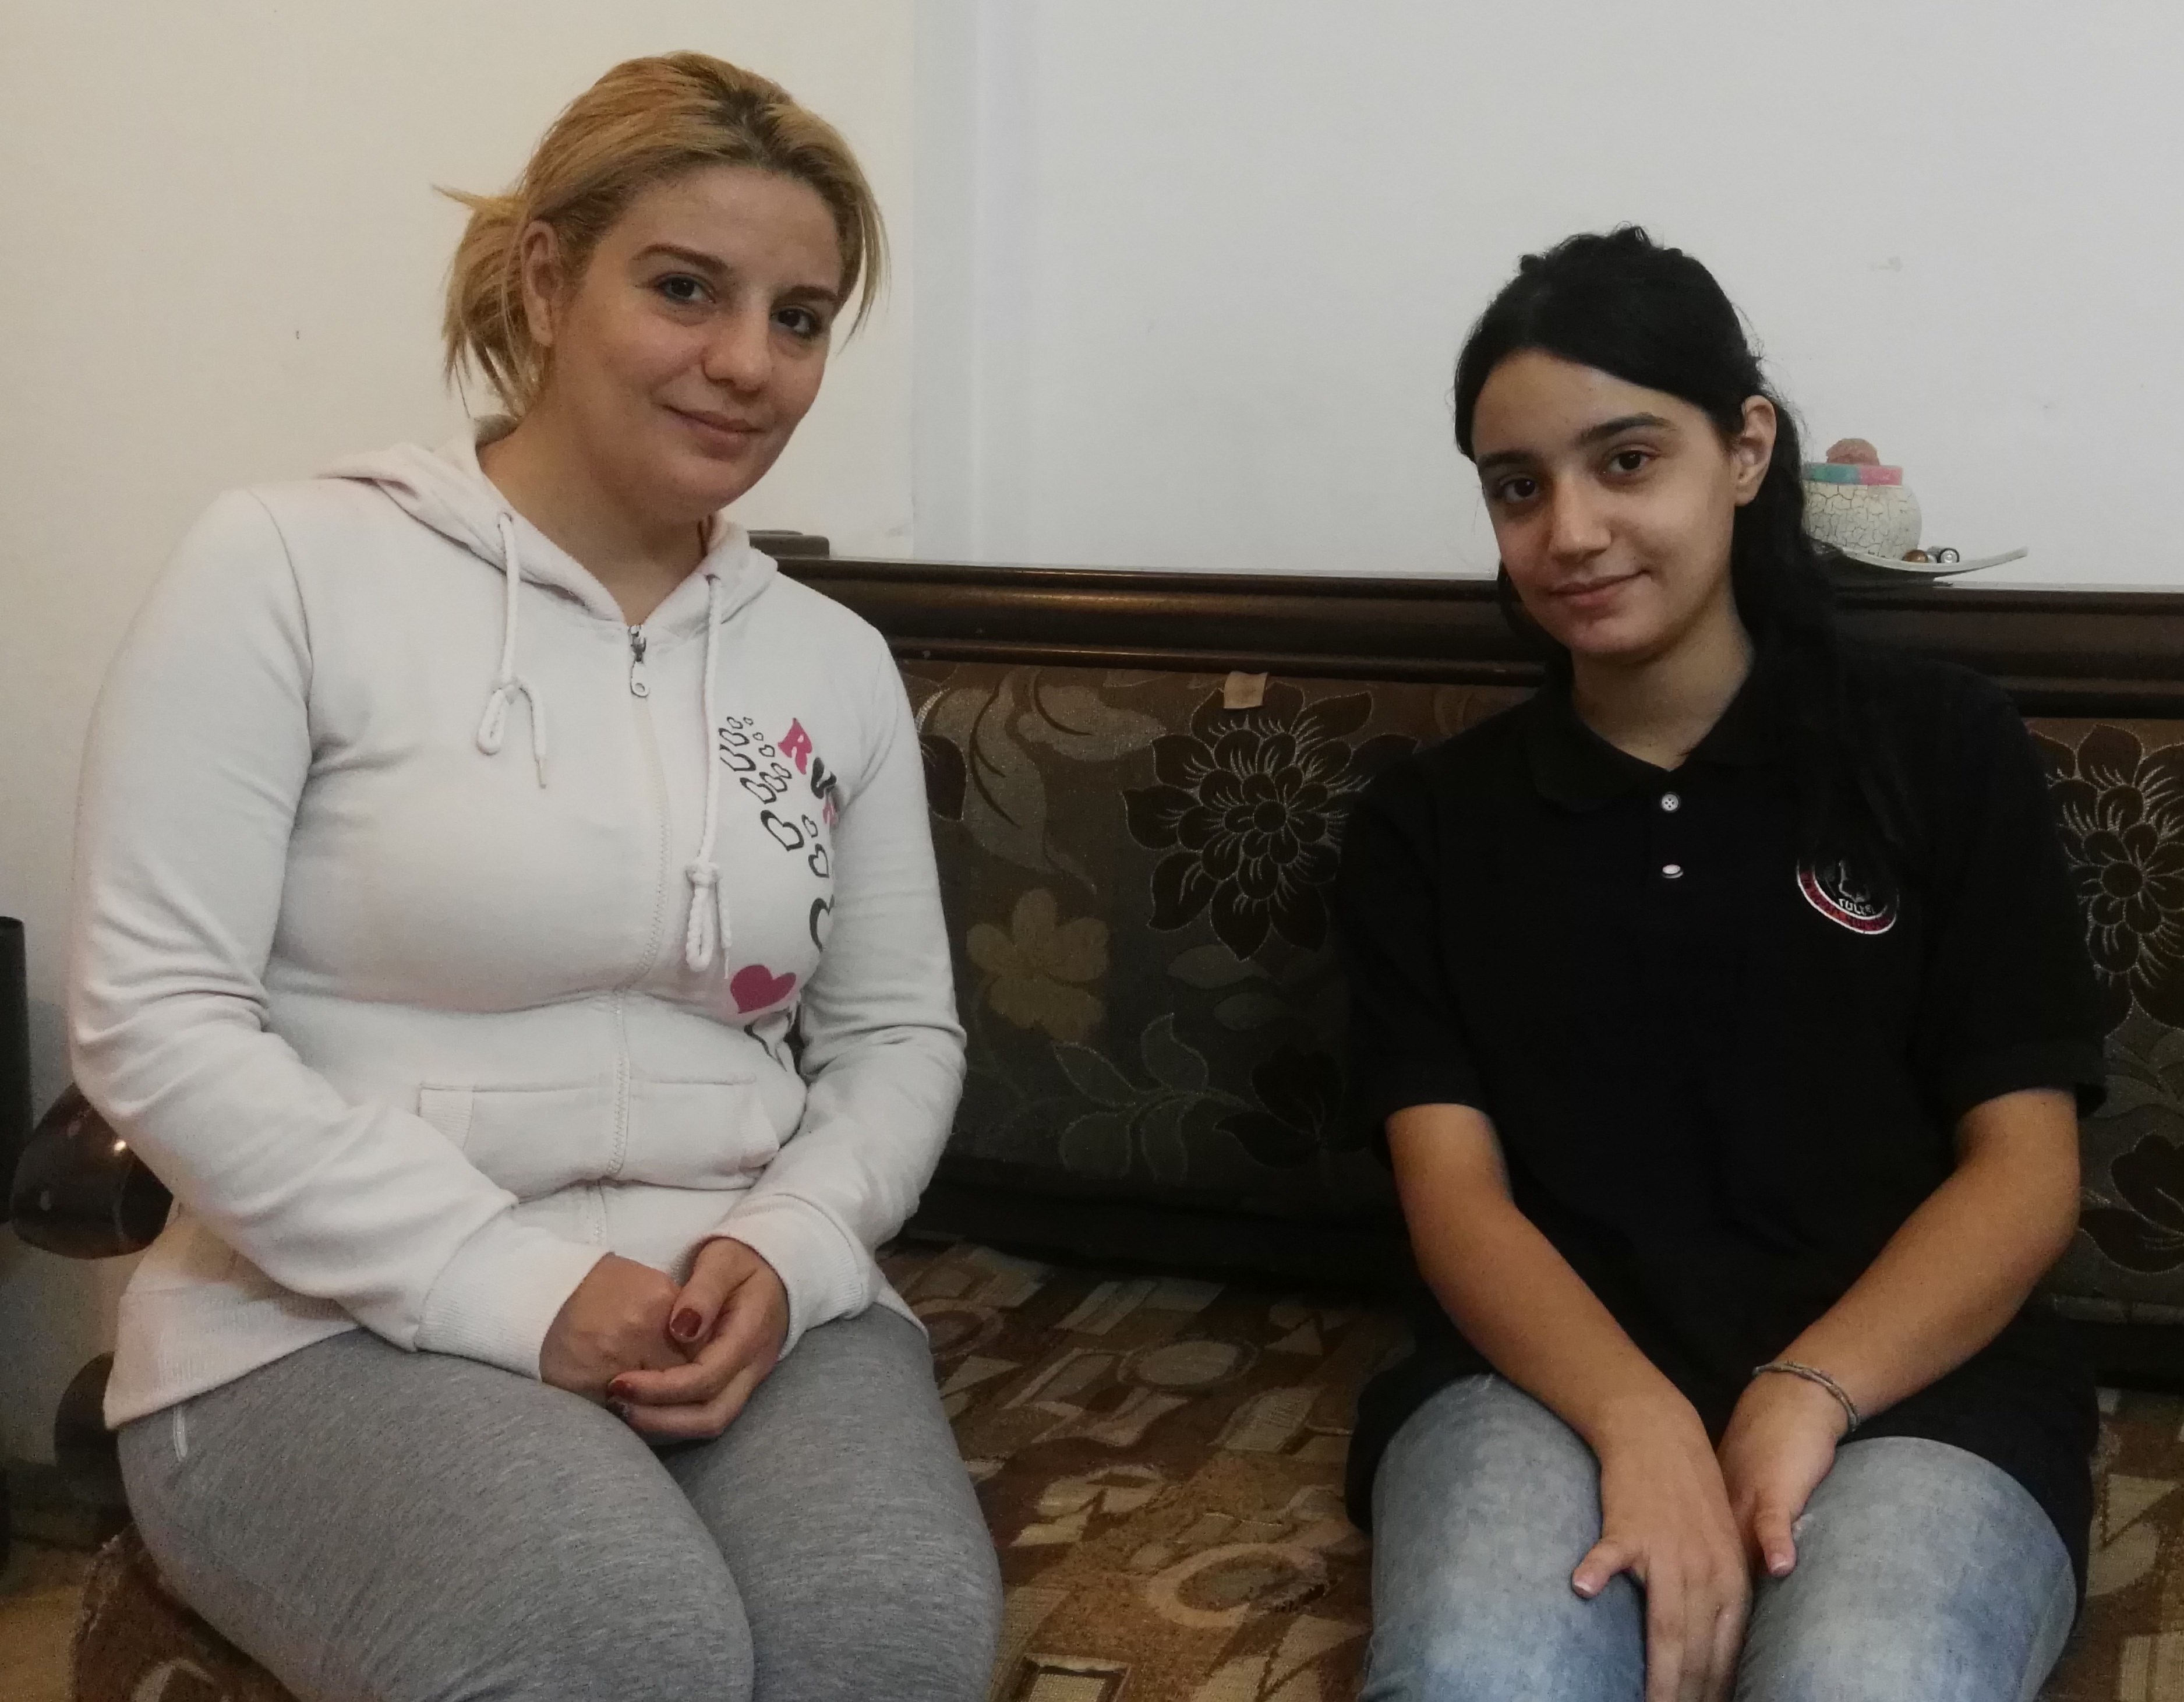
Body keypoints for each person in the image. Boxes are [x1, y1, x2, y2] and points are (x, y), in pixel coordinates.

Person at [72, 52, 1001, 1702]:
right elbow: (156, 1019)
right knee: (606, 1642)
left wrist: (795, 1245)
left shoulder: (832, 662)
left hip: (737, 1289)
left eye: (798, 317)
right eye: (685, 289)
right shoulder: (286, 567)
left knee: (887, 1637)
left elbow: (893, 1040)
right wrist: (508, 1285)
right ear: (547, 280)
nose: (747, 363)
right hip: (320, 1309)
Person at [1333, 228, 2102, 1702]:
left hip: (1918, 1385)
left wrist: (1809, 1392)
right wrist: (1638, 1419)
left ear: (1745, 451)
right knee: (1479, 1678)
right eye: (1517, 487)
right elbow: (1454, 1195)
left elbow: (2024, 1167)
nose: (1570, 531)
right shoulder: (1426, 826)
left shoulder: (1941, 751)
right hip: (1536, 1385)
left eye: (1627, 461)